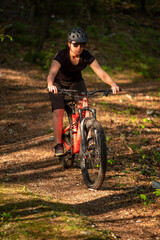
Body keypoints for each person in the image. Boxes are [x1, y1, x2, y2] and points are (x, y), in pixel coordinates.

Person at [47, 27, 119, 156]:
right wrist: (50, 84)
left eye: (82, 44)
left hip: (76, 83)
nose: (79, 47)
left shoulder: (86, 55)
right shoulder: (61, 55)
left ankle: (90, 138)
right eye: (75, 44)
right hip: (58, 84)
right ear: (69, 44)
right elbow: (52, 72)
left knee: (85, 106)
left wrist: (112, 84)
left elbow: (100, 72)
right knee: (59, 110)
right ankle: (58, 144)